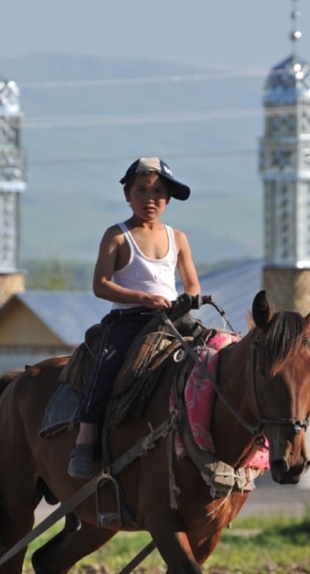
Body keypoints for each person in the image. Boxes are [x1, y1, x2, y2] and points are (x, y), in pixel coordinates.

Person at [69, 157, 201, 478]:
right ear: (128, 195)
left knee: (212, 356)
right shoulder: (117, 236)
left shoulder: (178, 237)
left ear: (168, 199)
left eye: (158, 192)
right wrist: (142, 298)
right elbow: (101, 285)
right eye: (141, 191)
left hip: (172, 318)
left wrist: (190, 298)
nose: (150, 199)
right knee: (106, 368)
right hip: (128, 320)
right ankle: (85, 440)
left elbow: (191, 281)